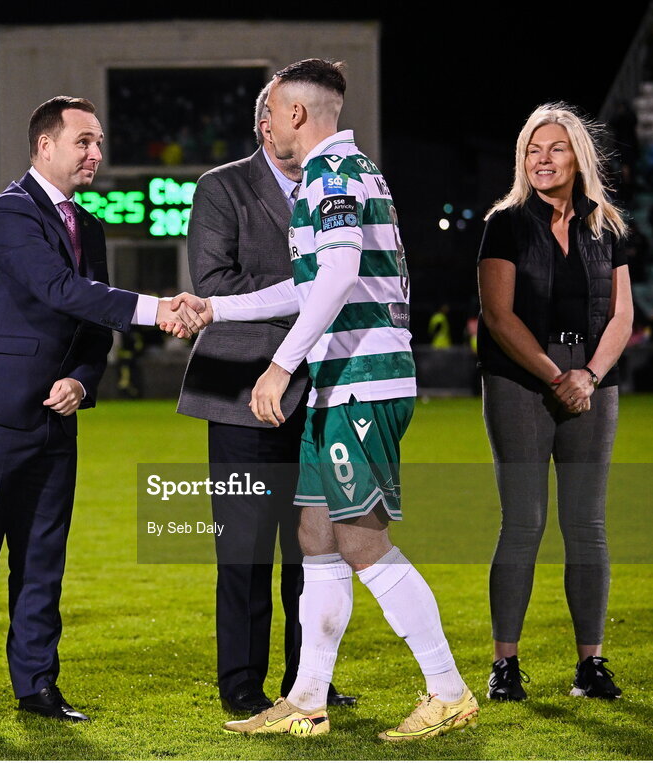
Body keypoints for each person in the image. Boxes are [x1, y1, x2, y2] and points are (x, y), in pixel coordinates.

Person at [170, 59, 478, 741]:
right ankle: (307, 695)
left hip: (361, 383)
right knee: (315, 534)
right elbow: (309, 286)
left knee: (361, 540)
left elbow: (336, 276)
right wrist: (216, 306)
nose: (267, 123)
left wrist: (278, 366)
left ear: (296, 115)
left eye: (273, 112)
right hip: (341, 384)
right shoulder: (351, 173)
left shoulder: (330, 177)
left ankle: (447, 687)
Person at [0, 95, 202, 725]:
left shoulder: (93, 225)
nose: (96, 154)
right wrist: (155, 308)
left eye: (100, 143)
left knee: (43, 560)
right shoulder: (8, 214)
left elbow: (90, 329)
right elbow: (60, 291)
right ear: (44, 146)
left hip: (56, 415)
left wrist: (83, 381)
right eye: (83, 142)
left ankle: (37, 689)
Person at [176, 80, 354, 715]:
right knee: (245, 551)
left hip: (321, 389)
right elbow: (214, 282)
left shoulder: (334, 185)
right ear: (265, 123)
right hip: (241, 390)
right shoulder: (221, 187)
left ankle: (308, 680)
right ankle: (243, 685)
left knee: (314, 549)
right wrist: (319, 281)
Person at [476, 102, 632, 702]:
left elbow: (622, 315)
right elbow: (497, 313)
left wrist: (589, 374)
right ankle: (505, 666)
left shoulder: (607, 225)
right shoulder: (506, 223)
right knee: (524, 523)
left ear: (577, 158)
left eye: (556, 149)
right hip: (519, 381)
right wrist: (554, 375)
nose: (543, 160)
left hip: (593, 381)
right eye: (532, 151)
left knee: (586, 525)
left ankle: (590, 664)